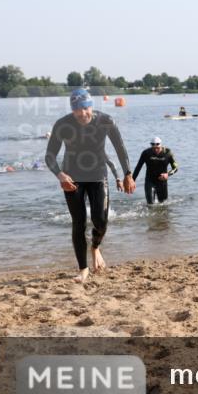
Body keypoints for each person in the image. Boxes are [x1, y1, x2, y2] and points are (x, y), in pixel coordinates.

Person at [45, 88, 135, 281]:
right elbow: (49, 155)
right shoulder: (63, 124)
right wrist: (59, 175)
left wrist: (128, 173)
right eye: (78, 110)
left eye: (85, 108)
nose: (82, 113)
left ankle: (95, 247)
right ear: (73, 110)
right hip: (72, 178)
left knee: (101, 221)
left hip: (98, 175)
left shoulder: (105, 121)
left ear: (91, 106)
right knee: (78, 223)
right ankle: (83, 269)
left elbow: (120, 147)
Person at [132, 136, 179, 204]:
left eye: (157, 148)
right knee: (150, 204)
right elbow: (138, 167)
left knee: (163, 204)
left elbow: (175, 168)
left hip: (162, 182)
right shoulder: (146, 153)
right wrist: (132, 180)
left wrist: (167, 174)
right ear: (151, 146)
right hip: (149, 181)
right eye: (153, 148)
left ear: (161, 145)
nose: (156, 150)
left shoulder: (168, 153)